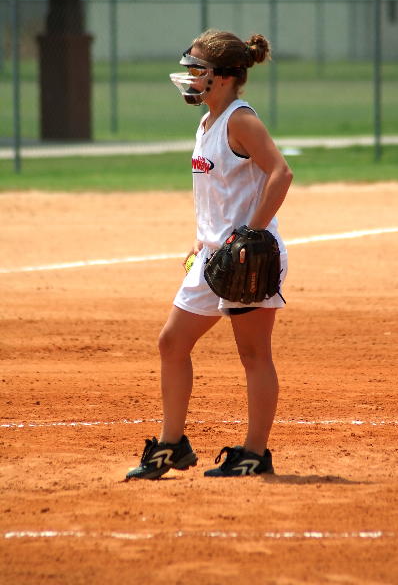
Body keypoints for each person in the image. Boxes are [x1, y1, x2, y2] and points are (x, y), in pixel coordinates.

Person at [126, 29, 293, 480]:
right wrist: (202, 237)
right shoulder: (207, 123)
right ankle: (172, 445)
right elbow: (219, 191)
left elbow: (281, 173)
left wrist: (250, 233)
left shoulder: (240, 120)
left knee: (253, 354)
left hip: (246, 256)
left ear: (223, 76)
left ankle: (254, 453)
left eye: (197, 69)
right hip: (212, 256)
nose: (190, 76)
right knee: (172, 342)